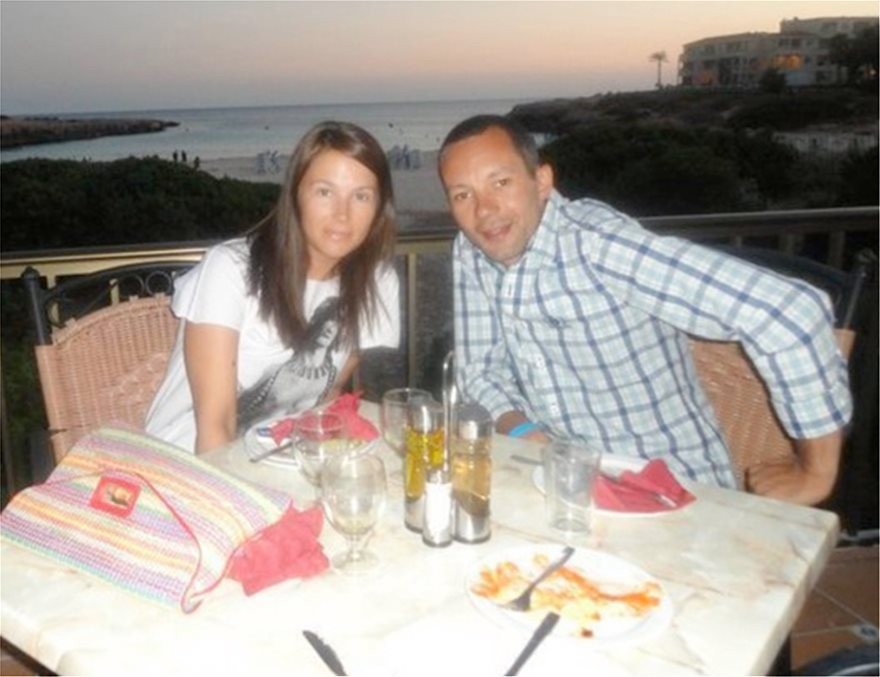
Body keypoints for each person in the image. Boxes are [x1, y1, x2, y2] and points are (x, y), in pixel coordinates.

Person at [438, 114, 851, 505]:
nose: (484, 210)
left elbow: (790, 314)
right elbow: (480, 371)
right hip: (566, 484)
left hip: (674, 491)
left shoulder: (600, 248)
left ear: (541, 181)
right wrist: (527, 433)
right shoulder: (473, 252)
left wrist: (815, 473)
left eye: (501, 183)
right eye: (462, 195)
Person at [146, 121, 400, 453]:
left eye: (361, 196)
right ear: (295, 196)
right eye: (325, 192)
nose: (343, 214)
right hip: (185, 459)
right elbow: (215, 428)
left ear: (379, 208)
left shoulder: (376, 281)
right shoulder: (233, 269)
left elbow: (326, 395)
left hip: (281, 457)